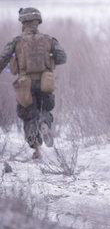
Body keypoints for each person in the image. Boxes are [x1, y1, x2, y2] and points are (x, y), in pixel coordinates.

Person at [0, 8, 67, 159]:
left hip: (24, 84)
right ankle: (44, 123)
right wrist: (49, 58)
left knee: (28, 114)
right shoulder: (49, 40)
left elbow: (2, 60)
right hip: (46, 81)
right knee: (44, 110)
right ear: (38, 22)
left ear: (23, 22)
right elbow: (63, 57)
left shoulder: (16, 41)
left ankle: (36, 149)